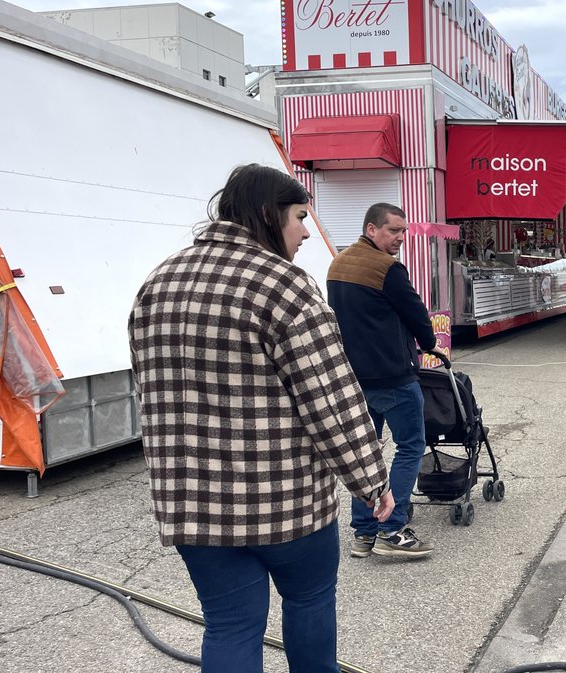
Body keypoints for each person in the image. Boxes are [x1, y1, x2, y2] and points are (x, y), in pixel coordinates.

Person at [128, 164, 394, 673]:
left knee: (230, 624)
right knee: (309, 601)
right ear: (269, 216)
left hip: (194, 506)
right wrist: (370, 480)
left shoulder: (157, 283)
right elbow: (331, 400)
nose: (304, 231)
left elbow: (151, 391)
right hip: (285, 502)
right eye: (298, 216)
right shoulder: (284, 285)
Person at [328, 203, 437, 559]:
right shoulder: (387, 269)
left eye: (404, 231)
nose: (401, 238)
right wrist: (430, 343)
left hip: (354, 377)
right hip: (392, 374)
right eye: (394, 231)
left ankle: (364, 532)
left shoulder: (338, 264)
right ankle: (392, 529)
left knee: (366, 450)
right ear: (371, 229)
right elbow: (418, 315)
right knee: (409, 446)